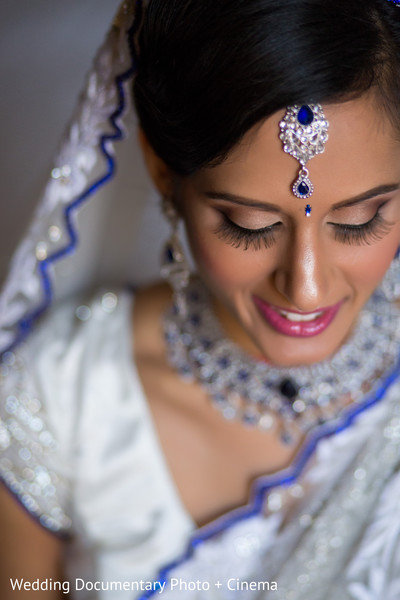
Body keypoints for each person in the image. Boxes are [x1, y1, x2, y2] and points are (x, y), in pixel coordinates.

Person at [1, 0, 400, 598]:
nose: (306, 286)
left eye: (362, 219)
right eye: (249, 224)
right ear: (163, 173)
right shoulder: (61, 397)